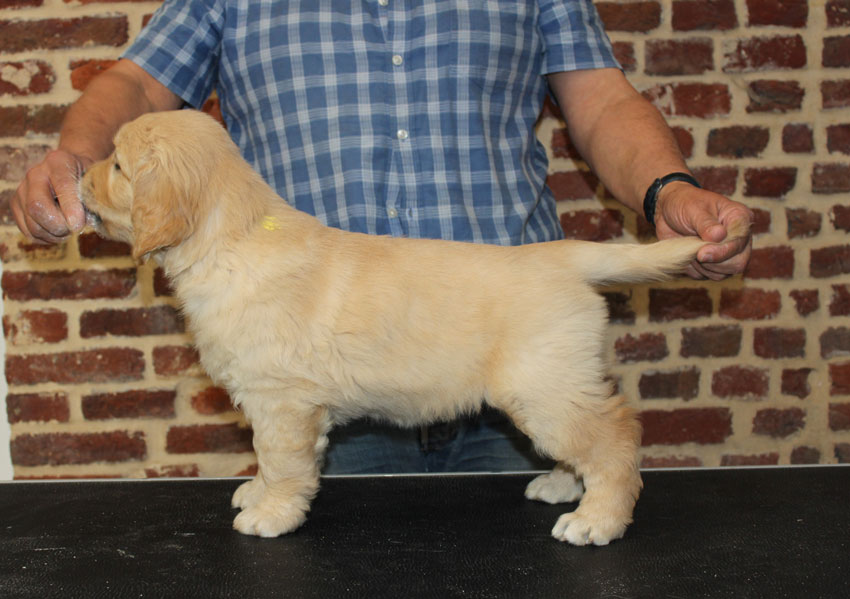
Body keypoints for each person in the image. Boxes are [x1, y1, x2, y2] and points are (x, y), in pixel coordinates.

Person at [12, 1, 752, 474]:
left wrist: (667, 188)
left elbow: (599, 98)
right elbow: (139, 86)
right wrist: (79, 157)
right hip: (329, 381)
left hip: (502, 350)